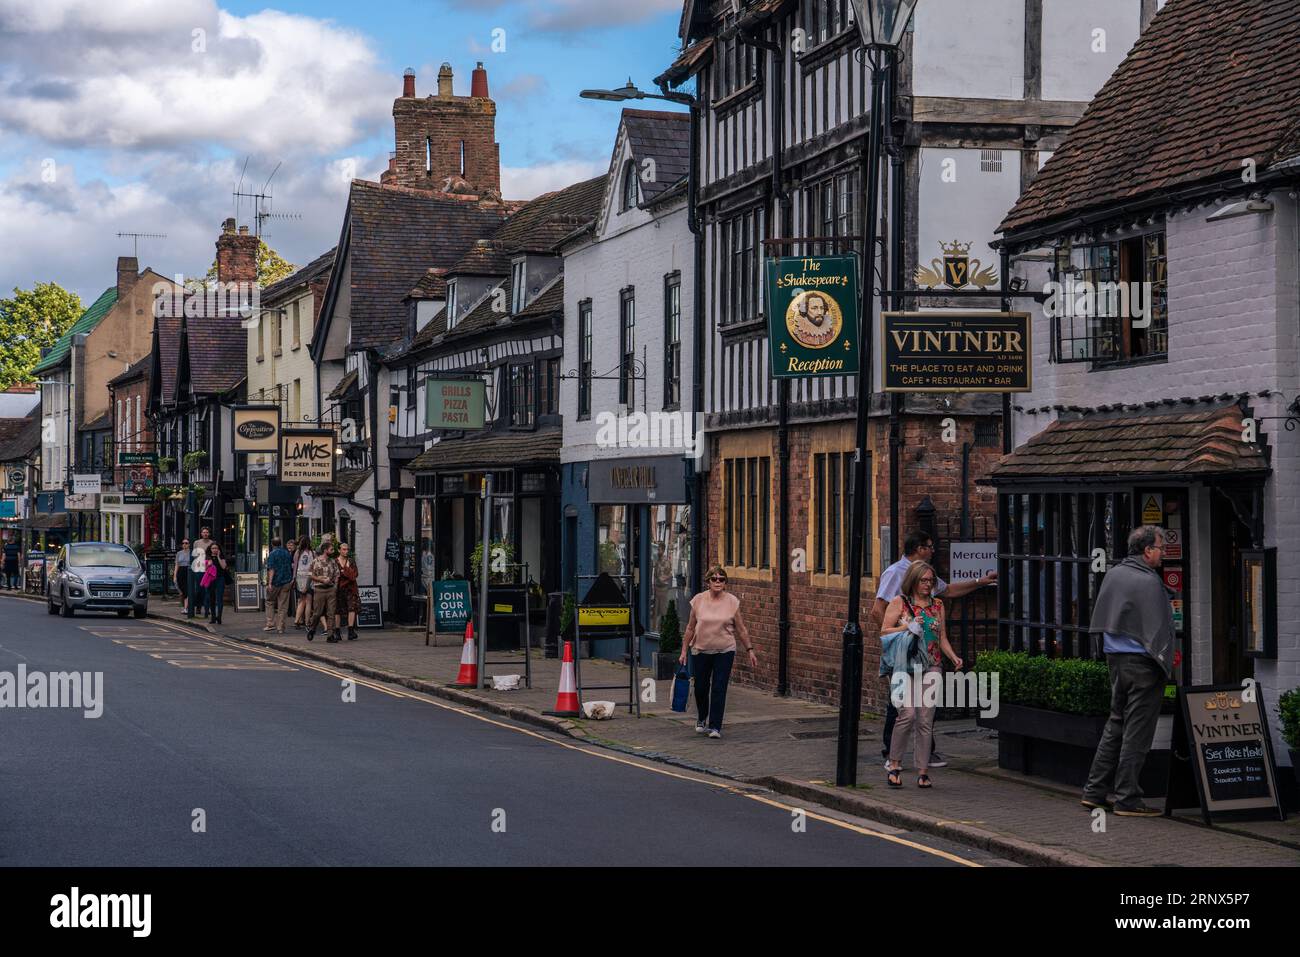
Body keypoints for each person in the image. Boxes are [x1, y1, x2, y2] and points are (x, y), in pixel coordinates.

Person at [872, 530, 995, 769]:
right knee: (901, 709)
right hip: (903, 654)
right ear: (919, 548)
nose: (933, 550)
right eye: (929, 546)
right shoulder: (894, 573)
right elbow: (878, 612)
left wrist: (981, 581)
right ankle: (892, 755)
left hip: (928, 657)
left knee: (924, 710)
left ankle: (926, 756)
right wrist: (899, 642)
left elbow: (947, 591)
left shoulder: (931, 588)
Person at [1081, 526, 1175, 818]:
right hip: (1142, 665)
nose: (1163, 553)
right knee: (1138, 732)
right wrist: (1164, 663)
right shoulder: (1149, 582)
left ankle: (1094, 792)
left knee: (1116, 724)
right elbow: (1159, 629)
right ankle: (1127, 798)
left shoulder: (1115, 573)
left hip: (1115, 660)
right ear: (1147, 550)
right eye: (1160, 547)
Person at [880, 561, 962, 789]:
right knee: (907, 715)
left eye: (931, 581)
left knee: (925, 719)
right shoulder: (900, 603)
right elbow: (884, 632)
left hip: (932, 664)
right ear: (913, 581)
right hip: (904, 666)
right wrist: (906, 628)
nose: (927, 585)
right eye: (923, 580)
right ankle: (894, 764)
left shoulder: (937, 605)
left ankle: (923, 772)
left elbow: (942, 636)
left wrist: (953, 656)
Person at [677, 564, 756, 739]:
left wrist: (749, 649)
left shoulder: (732, 602)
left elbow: (741, 629)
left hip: (725, 650)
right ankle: (701, 718)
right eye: (714, 579)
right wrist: (683, 651)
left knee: (719, 687)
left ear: (725, 583)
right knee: (701, 688)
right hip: (700, 650)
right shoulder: (698, 600)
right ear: (708, 582)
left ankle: (715, 726)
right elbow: (690, 628)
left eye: (721, 579)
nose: (718, 582)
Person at [305, 542, 341, 642]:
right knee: (317, 613)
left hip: (331, 590)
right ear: (325, 550)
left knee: (331, 613)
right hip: (319, 590)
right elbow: (310, 575)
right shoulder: (315, 561)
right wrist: (321, 580)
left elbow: (337, 574)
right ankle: (312, 629)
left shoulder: (333, 562)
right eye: (331, 549)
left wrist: (335, 586)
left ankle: (330, 635)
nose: (333, 551)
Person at [263, 536, 294, 634]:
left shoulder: (272, 554)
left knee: (269, 602)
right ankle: (280, 627)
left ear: (272, 544)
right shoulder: (287, 553)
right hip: (286, 582)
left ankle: (270, 624)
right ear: (281, 543)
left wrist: (270, 583)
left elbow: (271, 569)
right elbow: (291, 566)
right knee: (283, 605)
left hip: (276, 582)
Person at [336, 542, 360, 641]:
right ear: (339, 550)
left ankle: (350, 631)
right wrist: (346, 573)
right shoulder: (335, 562)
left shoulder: (351, 561)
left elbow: (354, 575)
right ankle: (337, 631)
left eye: (347, 549)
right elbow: (335, 576)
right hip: (338, 589)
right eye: (344, 549)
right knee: (337, 610)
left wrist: (345, 571)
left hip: (350, 589)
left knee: (352, 608)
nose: (346, 551)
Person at [201, 542, 230, 625]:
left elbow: (223, 567)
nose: (214, 550)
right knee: (211, 599)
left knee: (219, 599)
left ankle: (219, 617)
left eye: (216, 548)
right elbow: (204, 569)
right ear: (210, 549)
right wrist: (208, 565)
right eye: (213, 548)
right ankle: (213, 617)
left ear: (219, 549)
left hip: (220, 579)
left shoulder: (221, 557)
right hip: (210, 580)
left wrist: (218, 557)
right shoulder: (207, 557)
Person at [188, 528, 213, 620]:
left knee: (207, 589)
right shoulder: (196, 543)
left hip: (208, 568)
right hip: (199, 568)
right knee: (198, 589)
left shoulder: (212, 543)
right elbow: (193, 555)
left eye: (207, 532)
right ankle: (198, 607)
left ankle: (207, 607)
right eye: (204, 532)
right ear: (201, 533)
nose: (205, 534)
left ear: (209, 533)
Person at [293, 535, 315, 628]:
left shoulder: (298, 552)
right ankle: (307, 622)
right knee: (309, 601)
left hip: (300, 577)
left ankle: (297, 620)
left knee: (301, 600)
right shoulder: (313, 553)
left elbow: (295, 566)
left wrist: (293, 577)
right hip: (309, 576)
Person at [175, 538, 191, 613]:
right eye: (183, 543)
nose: (184, 544)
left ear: (189, 544)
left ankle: (186, 608)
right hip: (180, 572)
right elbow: (177, 565)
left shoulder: (192, 553)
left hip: (188, 571)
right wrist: (175, 575)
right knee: (181, 591)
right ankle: (184, 607)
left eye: (186, 543)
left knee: (187, 590)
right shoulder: (179, 553)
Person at [285, 539, 298, 618]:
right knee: (288, 595)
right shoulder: (287, 553)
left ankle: (293, 612)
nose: (289, 546)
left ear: (295, 546)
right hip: (288, 576)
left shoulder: (295, 554)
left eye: (291, 545)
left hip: (294, 575)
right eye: (288, 545)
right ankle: (289, 611)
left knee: (294, 595)